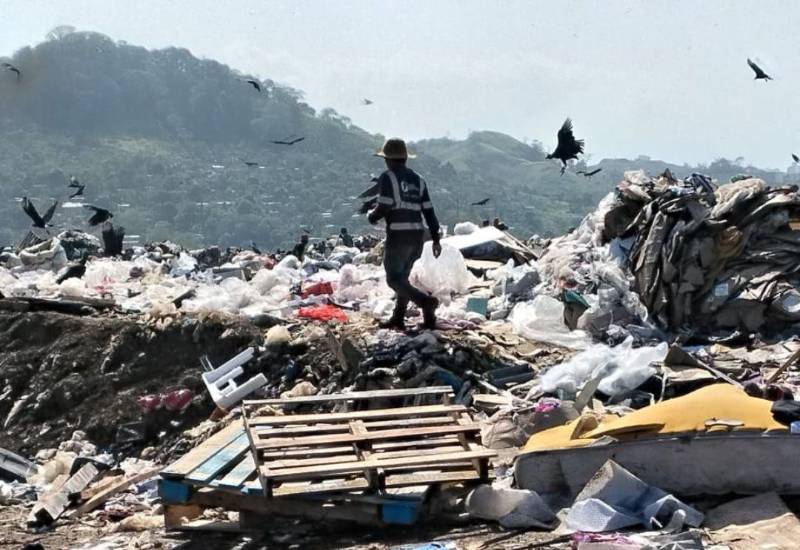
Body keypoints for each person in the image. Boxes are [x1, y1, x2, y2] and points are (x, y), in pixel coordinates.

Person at [368, 138, 441, 330]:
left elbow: (384, 205)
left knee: (394, 279)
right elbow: (429, 211)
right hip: (417, 236)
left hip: (398, 236)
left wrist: (372, 216)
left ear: (388, 160)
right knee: (403, 278)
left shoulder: (387, 177)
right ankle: (399, 317)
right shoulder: (419, 180)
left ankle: (425, 302)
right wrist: (436, 239)